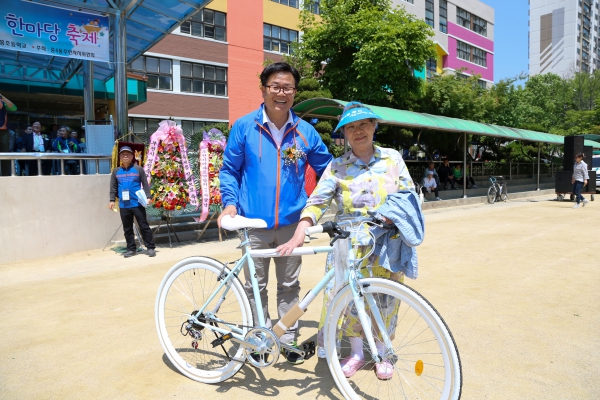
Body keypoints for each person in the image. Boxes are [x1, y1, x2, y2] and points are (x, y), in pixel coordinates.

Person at [276, 102, 417, 380]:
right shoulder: (337, 166)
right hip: (349, 245)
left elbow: (409, 195)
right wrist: (303, 227)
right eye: (351, 127)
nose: (358, 131)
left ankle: (383, 351)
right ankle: (356, 353)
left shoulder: (392, 159)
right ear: (345, 134)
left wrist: (393, 217)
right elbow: (317, 201)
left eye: (363, 124)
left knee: (386, 300)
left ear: (374, 126)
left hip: (387, 243)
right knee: (351, 301)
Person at [218, 62, 333, 364]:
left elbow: (330, 171)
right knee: (255, 286)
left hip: (292, 226)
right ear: (264, 89)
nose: (281, 93)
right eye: (275, 86)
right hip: (252, 225)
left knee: (289, 286)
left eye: (288, 88)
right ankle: (258, 337)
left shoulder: (306, 132)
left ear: (295, 92)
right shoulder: (244, 127)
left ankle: (288, 338)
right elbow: (229, 170)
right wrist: (230, 203)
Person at [109, 146, 156, 257]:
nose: (125, 156)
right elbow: (113, 187)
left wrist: (148, 196)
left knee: (143, 225)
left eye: (128, 154)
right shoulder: (116, 171)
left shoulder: (138, 169)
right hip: (124, 205)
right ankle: (131, 249)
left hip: (137, 203)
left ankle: (150, 247)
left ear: (132, 156)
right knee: (127, 228)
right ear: (120, 156)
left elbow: (145, 184)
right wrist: (111, 200)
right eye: (123, 154)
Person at [0, 93, 17, 176]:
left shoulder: (2, 101)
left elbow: (14, 108)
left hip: (3, 131)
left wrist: (2, 97)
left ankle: (5, 176)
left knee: (4, 154)